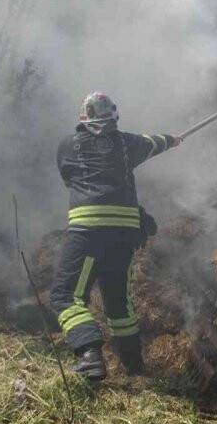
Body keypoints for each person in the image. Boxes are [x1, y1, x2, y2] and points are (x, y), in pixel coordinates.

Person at [49, 92, 181, 380]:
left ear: (83, 119)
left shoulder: (67, 146)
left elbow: (70, 179)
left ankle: (89, 354)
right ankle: (135, 369)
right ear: (114, 116)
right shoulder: (127, 143)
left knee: (66, 296)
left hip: (89, 232)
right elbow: (153, 142)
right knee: (118, 305)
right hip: (124, 236)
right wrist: (172, 140)